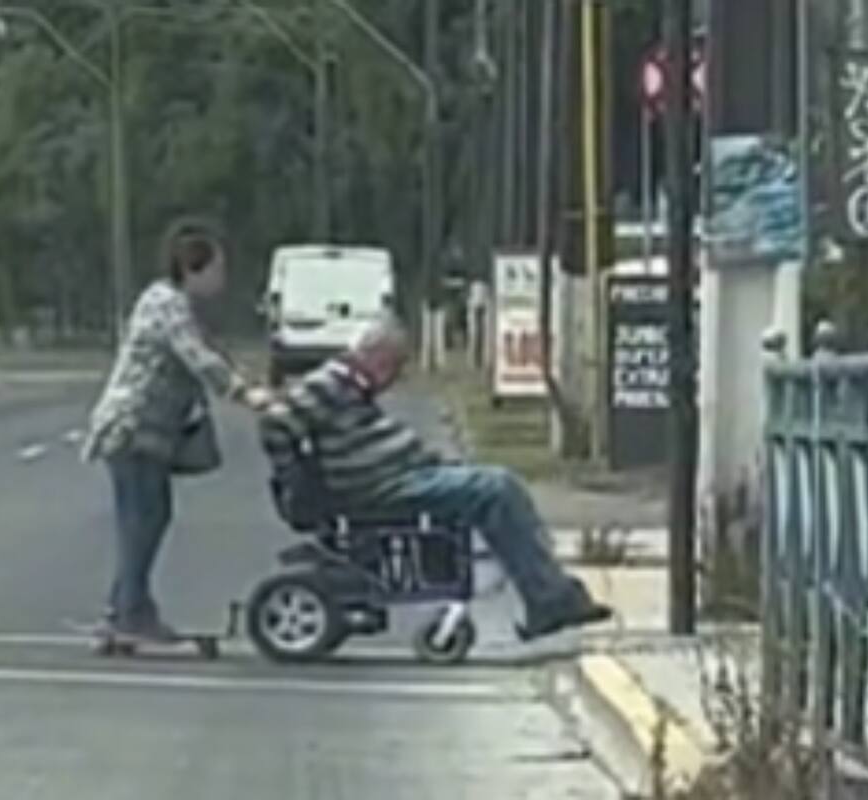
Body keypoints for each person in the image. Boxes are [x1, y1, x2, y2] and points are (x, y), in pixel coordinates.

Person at [259, 316, 612, 641]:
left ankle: (548, 591)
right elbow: (276, 421)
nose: (396, 377)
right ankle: (549, 599)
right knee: (498, 489)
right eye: (395, 366)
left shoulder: (352, 385)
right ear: (379, 358)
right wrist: (292, 475)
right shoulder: (328, 384)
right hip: (379, 488)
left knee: (496, 485)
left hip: (399, 476)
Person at [82, 216, 270, 641]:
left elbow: (214, 352)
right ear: (192, 269)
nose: (222, 279)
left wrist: (252, 381)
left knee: (147, 519)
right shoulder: (165, 303)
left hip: (148, 432)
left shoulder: (179, 306)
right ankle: (129, 613)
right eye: (217, 269)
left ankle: (126, 607)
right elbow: (197, 358)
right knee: (142, 520)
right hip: (131, 427)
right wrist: (245, 395)